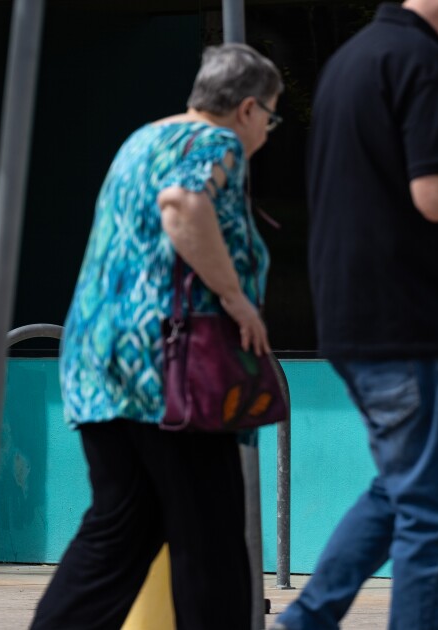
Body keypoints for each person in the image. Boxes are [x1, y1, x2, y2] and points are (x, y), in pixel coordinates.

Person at [273, 1, 438, 628]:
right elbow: (434, 192)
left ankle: (303, 621)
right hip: (408, 324)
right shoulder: (423, 62)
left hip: (354, 318)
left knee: (403, 491)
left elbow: (393, 195)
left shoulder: (351, 61)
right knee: (436, 509)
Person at [32, 43, 283, 630]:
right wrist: (235, 298)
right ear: (245, 109)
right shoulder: (215, 143)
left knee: (122, 527)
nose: (267, 133)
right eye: (269, 117)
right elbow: (182, 206)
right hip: (171, 376)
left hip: (99, 365)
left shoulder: (142, 139)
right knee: (213, 538)